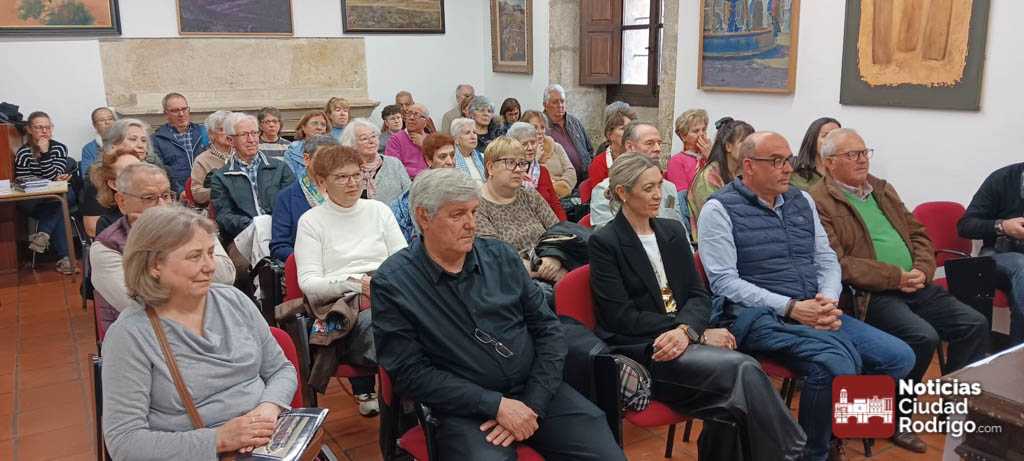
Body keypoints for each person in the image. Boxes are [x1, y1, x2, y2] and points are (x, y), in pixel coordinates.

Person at [371, 168, 627, 461]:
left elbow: (549, 331)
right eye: (458, 215)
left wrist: (533, 402)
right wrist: (494, 405)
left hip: (535, 387)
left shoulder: (500, 256)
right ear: (424, 217)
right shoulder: (394, 282)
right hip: (464, 406)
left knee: (607, 456)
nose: (471, 224)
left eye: (474, 212)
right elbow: (409, 373)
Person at [697, 131, 915, 460]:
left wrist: (827, 299)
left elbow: (826, 258)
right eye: (777, 161)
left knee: (899, 358)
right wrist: (792, 308)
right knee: (835, 365)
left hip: (813, 308)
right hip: (756, 317)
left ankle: (834, 434)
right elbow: (724, 283)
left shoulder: (802, 200)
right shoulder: (719, 209)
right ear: (749, 166)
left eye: (788, 160)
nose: (788, 168)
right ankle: (814, 452)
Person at [590, 154, 806, 460]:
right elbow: (621, 317)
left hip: (685, 340)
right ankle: (795, 451)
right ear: (623, 193)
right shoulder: (605, 242)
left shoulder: (671, 231)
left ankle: (790, 452)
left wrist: (687, 331)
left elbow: (697, 294)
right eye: (648, 188)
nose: (658, 194)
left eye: (659, 185)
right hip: (650, 349)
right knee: (743, 369)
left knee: (732, 404)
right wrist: (693, 333)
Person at [811, 128, 989, 454]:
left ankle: (953, 411)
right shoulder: (818, 200)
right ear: (829, 162)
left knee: (973, 324)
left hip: (914, 284)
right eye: (853, 155)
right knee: (922, 336)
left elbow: (918, 233)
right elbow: (838, 262)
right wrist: (895, 277)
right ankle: (896, 418)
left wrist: (921, 269)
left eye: (865, 152)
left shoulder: (881, 188)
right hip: (867, 295)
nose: (862, 160)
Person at [101, 204, 294, 461]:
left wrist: (268, 409)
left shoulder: (234, 300)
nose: (210, 266)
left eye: (211, 253)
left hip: (266, 442)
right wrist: (219, 439)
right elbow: (124, 443)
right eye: (194, 257)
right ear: (154, 265)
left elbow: (281, 369)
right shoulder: (130, 336)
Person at [295, 145, 408, 416]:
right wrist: (357, 284)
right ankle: (407, 417)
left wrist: (382, 284)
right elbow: (309, 284)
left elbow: (403, 262)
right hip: (346, 309)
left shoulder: (379, 210)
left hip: (387, 292)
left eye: (357, 175)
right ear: (322, 182)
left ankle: (412, 412)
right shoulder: (311, 222)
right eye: (342, 177)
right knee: (394, 332)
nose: (353, 183)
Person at [91, 163, 235, 335]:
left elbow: (226, 276)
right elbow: (136, 303)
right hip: (144, 336)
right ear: (122, 201)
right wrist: (154, 239)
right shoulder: (105, 247)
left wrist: (181, 238)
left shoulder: (193, 226)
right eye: (149, 198)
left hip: (207, 323)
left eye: (166, 196)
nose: (161, 205)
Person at [476, 137, 564, 284]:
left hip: (552, 264)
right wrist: (542, 268)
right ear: (490, 168)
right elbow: (496, 258)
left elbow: (559, 233)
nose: (518, 169)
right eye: (510, 163)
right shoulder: (477, 207)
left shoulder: (530, 195)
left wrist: (555, 258)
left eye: (522, 163)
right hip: (514, 281)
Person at [958, 161, 1024, 344]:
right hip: (998, 255)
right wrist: (1003, 226)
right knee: (1021, 264)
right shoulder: (1002, 179)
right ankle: (1018, 352)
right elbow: (965, 226)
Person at [209, 113, 296, 243]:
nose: (251, 140)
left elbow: (292, 203)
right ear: (230, 140)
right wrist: (255, 226)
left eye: (254, 133)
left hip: (280, 232)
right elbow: (224, 216)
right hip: (244, 236)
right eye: (244, 134)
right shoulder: (221, 177)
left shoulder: (280, 168)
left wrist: (273, 224)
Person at [591, 122, 683, 229]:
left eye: (659, 143)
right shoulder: (607, 189)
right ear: (630, 146)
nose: (658, 148)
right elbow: (607, 235)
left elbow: (680, 230)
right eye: (649, 143)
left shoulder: (669, 188)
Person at [15, 111, 75, 274]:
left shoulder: (59, 148)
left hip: (56, 197)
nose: (44, 131)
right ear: (29, 129)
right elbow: (23, 180)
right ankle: (66, 259)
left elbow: (55, 177)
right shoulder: (23, 153)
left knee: (63, 199)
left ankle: (43, 234)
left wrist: (45, 154)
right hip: (34, 200)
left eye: (48, 127)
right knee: (60, 207)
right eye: (39, 127)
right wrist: (49, 177)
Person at [83, 118, 161, 238]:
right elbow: (92, 228)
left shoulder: (156, 171)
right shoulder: (97, 176)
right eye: (133, 139)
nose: (140, 145)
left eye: (144, 140)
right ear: (114, 144)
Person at [269, 135, 338, 262]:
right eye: (323, 158)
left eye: (334, 159)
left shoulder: (343, 192)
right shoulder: (287, 197)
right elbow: (279, 247)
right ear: (306, 159)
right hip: (307, 263)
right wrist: (310, 259)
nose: (329, 164)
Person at [688, 117, 755, 236]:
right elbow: (713, 219)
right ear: (728, 146)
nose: (749, 149)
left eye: (751, 144)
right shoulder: (709, 177)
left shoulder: (747, 174)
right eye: (743, 143)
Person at [390, 133, 457, 242]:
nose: (450, 162)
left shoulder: (460, 184)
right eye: (442, 157)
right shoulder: (421, 190)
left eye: (452, 155)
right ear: (429, 160)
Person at [339, 118, 411, 205]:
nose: (371, 141)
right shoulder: (345, 169)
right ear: (352, 144)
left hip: (392, 213)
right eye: (364, 138)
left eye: (373, 136)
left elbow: (409, 195)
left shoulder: (394, 164)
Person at [507, 122, 567, 221]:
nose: (530, 148)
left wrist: (564, 225)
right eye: (524, 144)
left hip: (549, 224)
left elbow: (555, 205)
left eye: (533, 142)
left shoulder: (543, 172)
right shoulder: (508, 174)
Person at [151, 92, 209, 193]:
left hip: (206, 191)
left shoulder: (204, 132)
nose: (181, 114)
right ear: (166, 114)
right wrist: (179, 192)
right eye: (175, 111)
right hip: (178, 195)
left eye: (184, 109)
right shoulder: (157, 139)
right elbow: (159, 171)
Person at [543, 84, 594, 181]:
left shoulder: (574, 122)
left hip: (584, 179)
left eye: (562, 101)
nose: (560, 105)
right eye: (555, 102)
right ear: (545, 105)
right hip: (560, 182)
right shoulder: (542, 126)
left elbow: (590, 150)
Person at [88, 147, 141, 236]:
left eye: (141, 168)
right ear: (114, 184)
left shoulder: (161, 203)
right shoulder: (107, 223)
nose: (140, 175)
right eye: (129, 172)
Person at [522, 110, 576, 198]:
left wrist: (561, 186)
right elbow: (525, 180)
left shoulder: (556, 147)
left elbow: (571, 171)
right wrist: (535, 159)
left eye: (542, 127)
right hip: (538, 197)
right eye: (535, 128)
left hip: (563, 194)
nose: (540, 131)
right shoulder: (520, 150)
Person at [190, 110, 235, 206]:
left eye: (230, 128)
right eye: (222, 129)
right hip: (216, 208)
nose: (228, 133)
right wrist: (219, 190)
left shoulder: (241, 153)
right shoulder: (202, 160)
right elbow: (196, 194)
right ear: (211, 134)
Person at [585, 111, 632, 195]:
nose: (628, 133)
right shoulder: (599, 163)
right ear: (610, 135)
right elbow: (599, 196)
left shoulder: (639, 157)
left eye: (630, 128)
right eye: (623, 129)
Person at [665, 108, 711, 192]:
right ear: (683, 136)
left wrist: (711, 157)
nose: (701, 134)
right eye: (696, 131)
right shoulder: (677, 161)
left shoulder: (709, 156)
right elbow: (681, 194)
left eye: (704, 129)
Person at [791, 117, 841, 191]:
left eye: (837, 136)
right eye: (825, 135)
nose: (832, 140)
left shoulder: (847, 172)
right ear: (813, 140)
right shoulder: (796, 173)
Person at [384, 103, 431, 179]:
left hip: (432, 179)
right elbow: (393, 167)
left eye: (416, 115)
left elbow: (439, 164)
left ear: (426, 121)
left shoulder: (432, 139)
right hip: (407, 181)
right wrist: (423, 173)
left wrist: (424, 145)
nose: (411, 118)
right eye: (409, 114)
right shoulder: (395, 139)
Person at [283, 111, 330, 178]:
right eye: (314, 123)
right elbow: (289, 180)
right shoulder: (291, 153)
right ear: (303, 127)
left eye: (323, 125)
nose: (319, 127)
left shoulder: (333, 151)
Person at [80, 106, 116, 179]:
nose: (107, 122)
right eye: (102, 120)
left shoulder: (127, 140)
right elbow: (87, 176)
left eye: (110, 119)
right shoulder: (89, 149)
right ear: (95, 125)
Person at [449, 118, 486, 183]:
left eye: (474, 132)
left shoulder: (482, 157)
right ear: (456, 139)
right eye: (467, 133)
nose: (473, 136)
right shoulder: (451, 161)